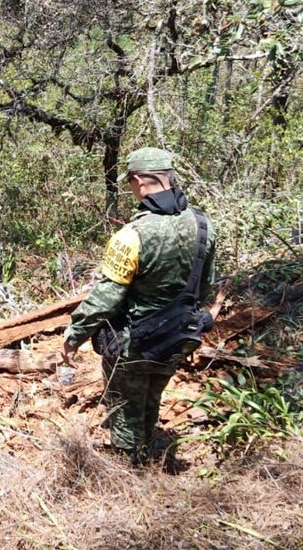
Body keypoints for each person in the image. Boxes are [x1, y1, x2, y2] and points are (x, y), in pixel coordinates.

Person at [60, 147, 217, 464]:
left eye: (130, 183)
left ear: (139, 182)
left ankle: (130, 473)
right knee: (151, 396)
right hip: (180, 337)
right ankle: (150, 455)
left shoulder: (131, 235)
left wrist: (73, 336)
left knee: (125, 407)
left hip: (134, 343)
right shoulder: (203, 225)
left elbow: (107, 298)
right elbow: (207, 287)